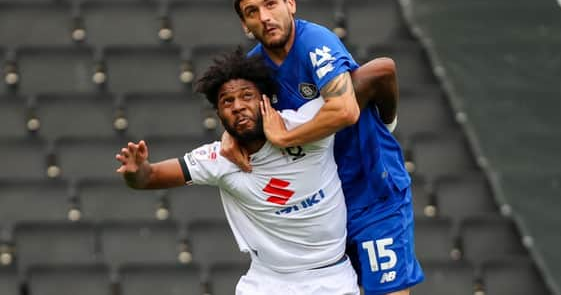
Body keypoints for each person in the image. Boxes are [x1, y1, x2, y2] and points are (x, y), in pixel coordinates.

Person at [116, 48, 400, 295]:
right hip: (268, 282)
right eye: (227, 102)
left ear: (265, 100)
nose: (238, 106)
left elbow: (382, 71)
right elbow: (149, 178)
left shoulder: (306, 125)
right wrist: (135, 170)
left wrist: (386, 129)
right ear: (219, 115)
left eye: (247, 96)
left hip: (329, 278)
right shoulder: (219, 159)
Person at [226, 0, 424, 295]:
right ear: (245, 25)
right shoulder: (253, 69)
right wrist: (229, 137)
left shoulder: (314, 43)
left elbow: (346, 109)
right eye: (252, 12)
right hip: (322, 210)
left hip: (371, 190)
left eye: (271, 4)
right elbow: (234, 112)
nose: (265, 17)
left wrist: (287, 137)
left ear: (290, 4)